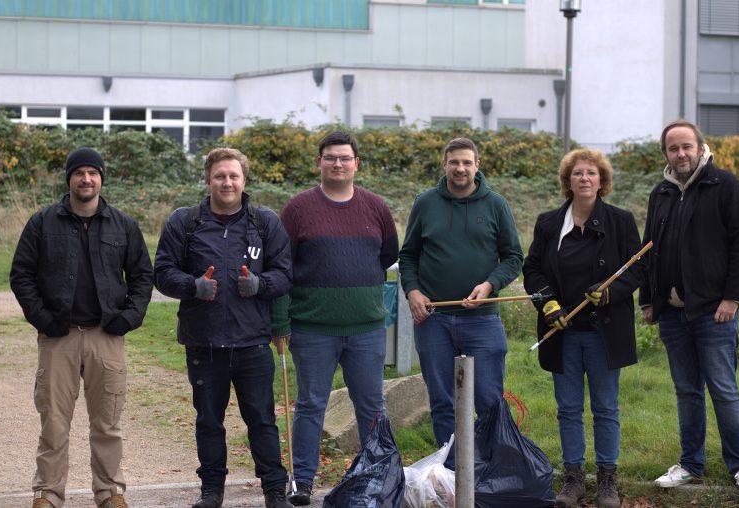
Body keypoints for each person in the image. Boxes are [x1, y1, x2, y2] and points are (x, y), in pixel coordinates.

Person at [10, 148, 153, 508]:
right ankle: (48, 494)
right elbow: (21, 275)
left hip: (106, 337)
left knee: (107, 423)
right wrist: (43, 319)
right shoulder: (42, 222)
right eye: (79, 173)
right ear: (69, 179)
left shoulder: (124, 225)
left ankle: (109, 493)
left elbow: (142, 277)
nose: (86, 179)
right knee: (54, 422)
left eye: (93, 172)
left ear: (102, 178)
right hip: (59, 339)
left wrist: (127, 318)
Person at [153, 148, 294, 508]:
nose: (227, 182)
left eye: (233, 176)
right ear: (208, 179)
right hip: (205, 343)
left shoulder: (264, 223)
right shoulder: (185, 222)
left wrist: (260, 285)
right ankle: (212, 489)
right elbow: (163, 273)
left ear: (244, 180)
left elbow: (285, 274)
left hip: (253, 344)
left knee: (262, 421)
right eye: (220, 176)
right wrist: (192, 286)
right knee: (209, 421)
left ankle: (274, 490)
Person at [270, 131, 398, 506]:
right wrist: (280, 324)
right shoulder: (296, 209)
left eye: (345, 158)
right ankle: (303, 481)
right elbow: (281, 269)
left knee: (372, 407)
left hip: (367, 329)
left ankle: (378, 474)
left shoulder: (376, 207)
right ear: (319, 163)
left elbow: (387, 254)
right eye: (331, 157)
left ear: (357, 163)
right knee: (311, 404)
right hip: (312, 329)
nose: (338, 164)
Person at [639, 120, 739, 497]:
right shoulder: (660, 192)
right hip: (673, 314)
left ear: (700, 147)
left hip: (714, 312)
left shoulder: (724, 186)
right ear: (666, 154)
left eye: (686, 147)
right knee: (686, 391)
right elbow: (648, 248)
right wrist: (648, 298)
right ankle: (690, 464)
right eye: (673, 149)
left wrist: (732, 297)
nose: (681, 154)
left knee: (723, 390)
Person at [522, 148, 643, 508]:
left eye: (592, 173)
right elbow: (532, 271)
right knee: (568, 407)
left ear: (602, 180)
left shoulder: (621, 221)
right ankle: (573, 478)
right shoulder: (547, 223)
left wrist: (608, 294)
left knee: (605, 407)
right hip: (563, 333)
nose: (585, 179)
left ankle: (607, 479)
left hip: (604, 333)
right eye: (578, 173)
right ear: (568, 181)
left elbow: (637, 270)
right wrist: (548, 304)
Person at [398, 137, 523, 470]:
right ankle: (452, 473)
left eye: (467, 162)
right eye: (454, 162)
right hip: (434, 319)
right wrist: (412, 290)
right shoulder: (425, 203)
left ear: (477, 166)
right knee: (443, 402)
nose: (460, 168)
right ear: (444, 164)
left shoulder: (496, 204)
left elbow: (513, 257)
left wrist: (490, 284)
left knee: (488, 399)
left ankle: (496, 469)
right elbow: (408, 255)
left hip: (482, 320)